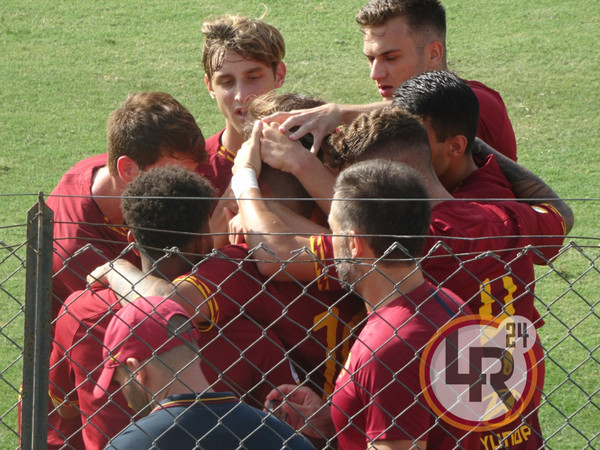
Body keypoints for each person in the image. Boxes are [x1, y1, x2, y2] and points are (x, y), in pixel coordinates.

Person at [231, 108, 573, 448]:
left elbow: (275, 253)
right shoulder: (501, 219)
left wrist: (250, 181)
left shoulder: (407, 275)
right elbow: (562, 215)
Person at [266, 159, 478, 448]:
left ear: (354, 244)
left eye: (333, 231)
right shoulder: (450, 303)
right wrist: (339, 417)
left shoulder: (388, 347)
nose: (331, 242)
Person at [44, 91, 206, 450]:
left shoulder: (127, 178)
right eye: (175, 172)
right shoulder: (76, 245)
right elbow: (159, 316)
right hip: (86, 398)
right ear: (127, 169)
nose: (186, 186)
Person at [87, 165, 297, 410]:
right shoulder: (251, 340)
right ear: (202, 242)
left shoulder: (81, 310)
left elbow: (64, 409)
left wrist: (115, 268)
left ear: (133, 241)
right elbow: (163, 306)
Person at [264, 0, 517, 161]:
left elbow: (433, 109)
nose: (375, 74)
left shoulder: (480, 103)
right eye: (370, 59)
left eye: (390, 58)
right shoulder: (385, 121)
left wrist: (340, 112)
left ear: (433, 54)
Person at [94, 296, 314, 449]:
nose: (125, 398)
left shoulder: (130, 444)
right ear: (197, 354)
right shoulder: (283, 436)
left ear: (137, 370)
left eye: (119, 381)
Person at [196, 14, 286, 197]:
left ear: (279, 75)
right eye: (227, 82)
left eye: (253, 78)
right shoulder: (196, 171)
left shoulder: (320, 152)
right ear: (210, 87)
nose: (242, 96)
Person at [393, 70, 515, 198]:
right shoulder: (482, 167)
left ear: (456, 146)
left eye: (416, 142)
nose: (399, 151)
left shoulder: (471, 207)